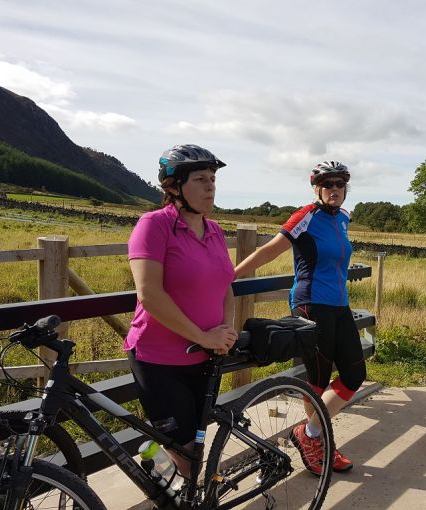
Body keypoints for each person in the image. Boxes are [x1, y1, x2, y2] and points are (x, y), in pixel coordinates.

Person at [234, 160, 365, 475]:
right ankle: (316, 439)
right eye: (328, 184)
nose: (335, 189)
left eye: (340, 184)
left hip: (339, 304)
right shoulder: (305, 216)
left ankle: (308, 433)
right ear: (317, 187)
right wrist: (231, 275)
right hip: (310, 304)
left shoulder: (344, 218)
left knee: (354, 374)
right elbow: (272, 250)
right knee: (318, 380)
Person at [124, 144, 238, 477]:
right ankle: (167, 474)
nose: (210, 186)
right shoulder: (153, 225)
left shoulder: (215, 230)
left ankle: (165, 471)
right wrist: (203, 335)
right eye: (200, 179)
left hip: (206, 356)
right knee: (187, 452)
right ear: (173, 187)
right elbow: (150, 294)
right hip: (159, 359)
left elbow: (226, 286)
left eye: (213, 178)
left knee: (195, 445)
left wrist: (224, 334)